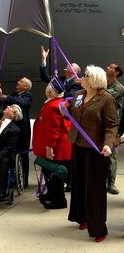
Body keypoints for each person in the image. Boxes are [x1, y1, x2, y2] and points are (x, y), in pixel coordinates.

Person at [65, 65, 119, 243]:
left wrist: (108, 144)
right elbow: (72, 113)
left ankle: (98, 227)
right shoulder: (80, 94)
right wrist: (63, 111)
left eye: (86, 75)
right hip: (77, 144)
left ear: (94, 80)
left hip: (96, 148)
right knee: (78, 183)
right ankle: (83, 218)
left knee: (94, 189)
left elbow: (112, 125)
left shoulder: (106, 99)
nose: (83, 77)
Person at [32, 76, 71, 209]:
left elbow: (53, 130)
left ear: (50, 92)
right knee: (49, 172)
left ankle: (59, 200)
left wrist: (49, 147)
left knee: (53, 174)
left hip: (55, 147)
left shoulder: (53, 106)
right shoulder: (59, 103)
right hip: (57, 146)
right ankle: (52, 194)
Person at [0, 77, 33, 188]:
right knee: (11, 153)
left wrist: (7, 97)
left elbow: (21, 103)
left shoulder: (28, 96)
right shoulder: (14, 94)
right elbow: (3, 102)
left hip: (23, 131)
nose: (18, 82)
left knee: (23, 154)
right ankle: (12, 178)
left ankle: (24, 180)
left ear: (25, 87)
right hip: (12, 129)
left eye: (20, 81)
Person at [105, 62, 124, 194]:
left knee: (112, 156)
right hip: (100, 123)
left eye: (111, 67)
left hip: (112, 125)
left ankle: (111, 183)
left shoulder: (119, 87)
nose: (107, 68)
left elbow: (104, 96)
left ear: (116, 72)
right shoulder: (104, 85)